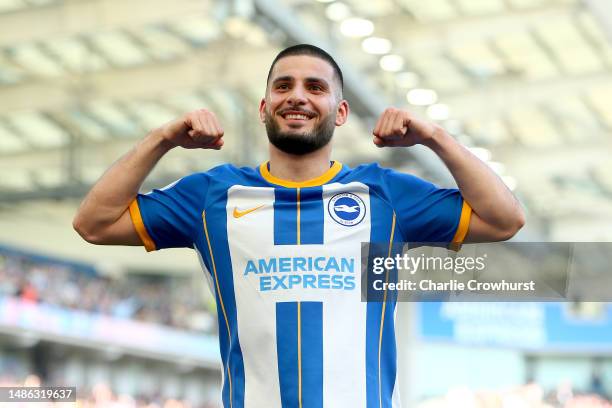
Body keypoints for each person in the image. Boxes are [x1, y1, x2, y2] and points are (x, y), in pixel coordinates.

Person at [73, 44, 524, 408]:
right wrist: (162, 139)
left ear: (340, 111)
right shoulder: (211, 196)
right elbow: (93, 223)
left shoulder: (386, 195)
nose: (298, 96)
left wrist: (435, 138)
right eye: (283, 86)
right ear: (264, 107)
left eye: (315, 87)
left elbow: (505, 219)